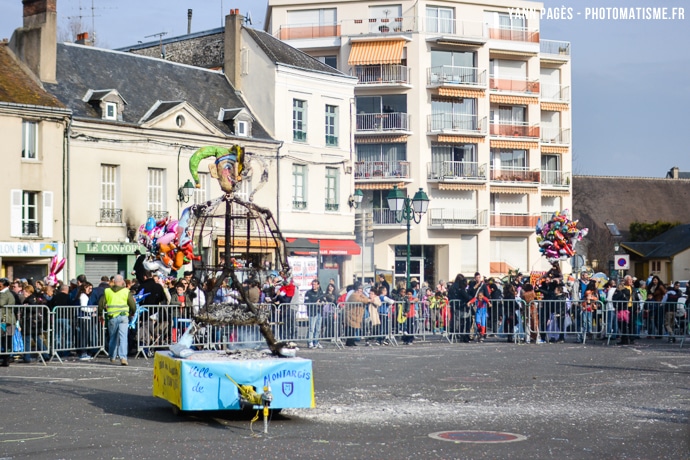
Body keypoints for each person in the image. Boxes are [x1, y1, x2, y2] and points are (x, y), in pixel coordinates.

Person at [99, 274, 136, 365]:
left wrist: (100, 313)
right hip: (123, 316)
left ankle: (112, 356)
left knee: (113, 338)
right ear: (122, 282)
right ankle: (123, 358)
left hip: (112, 317)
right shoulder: (126, 291)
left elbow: (101, 303)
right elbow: (132, 304)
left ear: (114, 281)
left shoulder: (107, 291)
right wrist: (132, 312)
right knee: (123, 338)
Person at [76, 282, 96, 360]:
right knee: (84, 336)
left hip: (85, 317)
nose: (90, 290)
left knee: (84, 336)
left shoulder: (83, 296)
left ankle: (83, 353)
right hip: (83, 317)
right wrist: (92, 310)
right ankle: (83, 353)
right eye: (89, 288)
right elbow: (83, 307)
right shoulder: (84, 296)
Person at [448, 274, 471, 343]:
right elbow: (465, 296)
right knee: (462, 321)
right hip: (460, 306)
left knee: (455, 320)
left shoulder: (452, 286)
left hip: (454, 305)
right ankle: (461, 335)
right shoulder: (459, 287)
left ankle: (454, 334)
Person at [303, 279, 325, 349]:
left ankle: (316, 341)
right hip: (312, 312)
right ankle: (310, 342)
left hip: (319, 312)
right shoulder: (308, 293)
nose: (314, 286)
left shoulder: (320, 292)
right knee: (311, 328)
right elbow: (306, 302)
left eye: (315, 284)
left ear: (318, 285)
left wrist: (323, 302)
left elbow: (323, 299)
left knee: (318, 328)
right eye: (313, 284)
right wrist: (315, 302)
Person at [0, 278, 17, 366]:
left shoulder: (4, 294)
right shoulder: (6, 293)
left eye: (0, 285)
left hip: (6, 320)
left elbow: (1, 303)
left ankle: (6, 359)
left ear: (5, 286)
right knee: (6, 340)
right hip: (7, 319)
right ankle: (5, 359)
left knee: (6, 340)